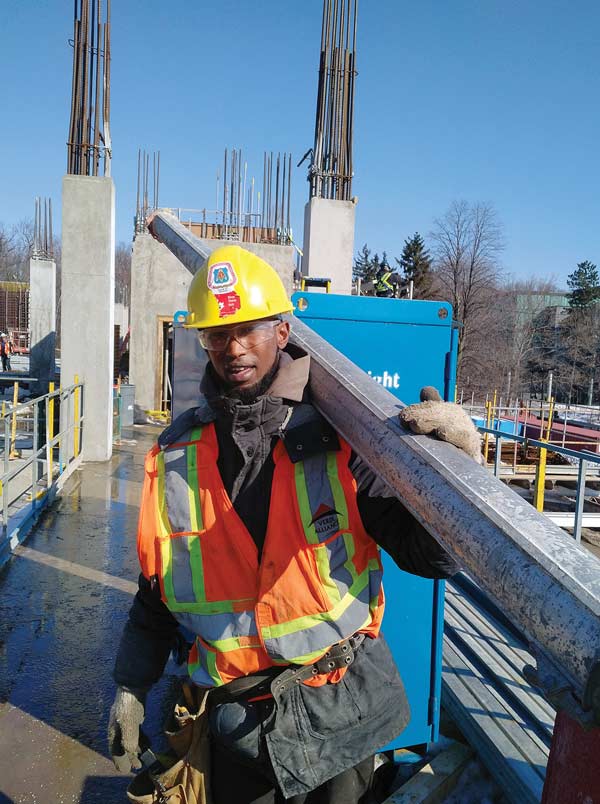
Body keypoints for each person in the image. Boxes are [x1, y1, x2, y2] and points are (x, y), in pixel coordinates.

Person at [109, 246, 481, 804]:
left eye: (248, 329)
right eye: (216, 333)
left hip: (336, 714)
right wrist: (131, 684)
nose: (232, 348)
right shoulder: (177, 453)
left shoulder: (344, 437)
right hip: (238, 725)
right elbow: (157, 589)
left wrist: (457, 480)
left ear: (282, 331)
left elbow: (428, 556)